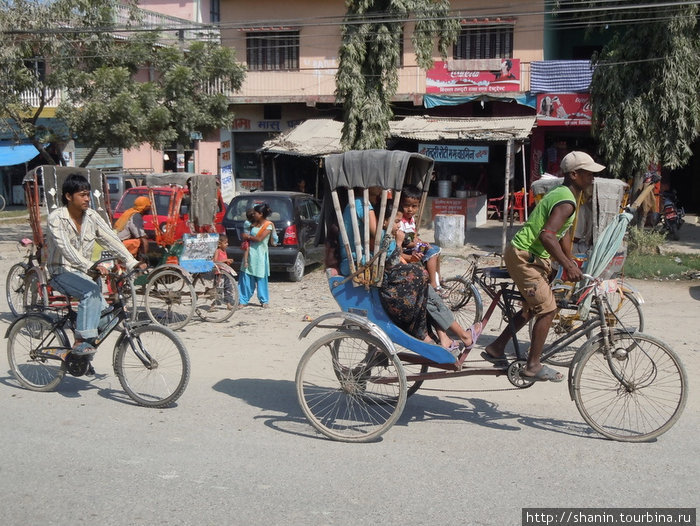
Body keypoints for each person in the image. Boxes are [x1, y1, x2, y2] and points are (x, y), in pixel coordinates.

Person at [481, 151, 604, 381]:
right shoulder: (566, 200)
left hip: (530, 256)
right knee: (548, 309)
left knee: (530, 309)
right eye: (589, 174)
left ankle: (497, 347)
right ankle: (533, 365)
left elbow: (562, 234)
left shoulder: (568, 195)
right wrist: (567, 263)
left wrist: (569, 263)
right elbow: (548, 236)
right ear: (575, 174)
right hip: (525, 256)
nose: (592, 178)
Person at [46, 173, 143, 356]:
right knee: (90, 293)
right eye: (82, 195)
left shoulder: (91, 216)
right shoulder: (56, 218)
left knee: (106, 318)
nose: (87, 199)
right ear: (68, 196)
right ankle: (81, 342)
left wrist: (131, 261)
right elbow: (67, 250)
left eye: (88, 194)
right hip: (61, 271)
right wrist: (90, 266)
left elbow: (110, 239)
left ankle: (82, 358)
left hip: (86, 274)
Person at [380, 217, 481, 357]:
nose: (399, 225)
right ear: (385, 221)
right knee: (429, 294)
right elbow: (394, 263)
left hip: (403, 280)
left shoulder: (393, 235)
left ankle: (448, 337)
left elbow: (406, 248)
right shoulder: (385, 239)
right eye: (396, 221)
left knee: (430, 293)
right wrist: (399, 243)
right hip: (395, 289)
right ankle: (462, 336)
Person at [397, 185, 444, 293]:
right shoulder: (400, 220)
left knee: (436, 249)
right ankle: (433, 282)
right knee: (431, 251)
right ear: (401, 204)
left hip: (413, 245)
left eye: (414, 206)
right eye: (407, 206)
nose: (410, 209)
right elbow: (406, 242)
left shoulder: (411, 219)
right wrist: (418, 244)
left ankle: (438, 277)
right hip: (406, 249)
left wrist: (421, 242)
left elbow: (413, 236)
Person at [238, 202, 274, 308]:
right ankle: (243, 300)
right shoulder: (252, 224)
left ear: (261, 214)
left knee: (261, 278)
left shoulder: (268, 226)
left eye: (256, 213)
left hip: (260, 255)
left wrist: (247, 237)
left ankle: (264, 300)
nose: (254, 215)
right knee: (246, 277)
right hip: (249, 253)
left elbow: (259, 239)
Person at [213, 236, 236, 309]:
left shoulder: (224, 251)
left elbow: (224, 261)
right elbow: (215, 261)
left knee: (228, 288)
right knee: (219, 289)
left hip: (226, 273)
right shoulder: (218, 251)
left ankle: (228, 304)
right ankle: (213, 305)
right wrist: (225, 260)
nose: (227, 244)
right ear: (219, 244)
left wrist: (228, 261)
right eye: (225, 243)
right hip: (219, 274)